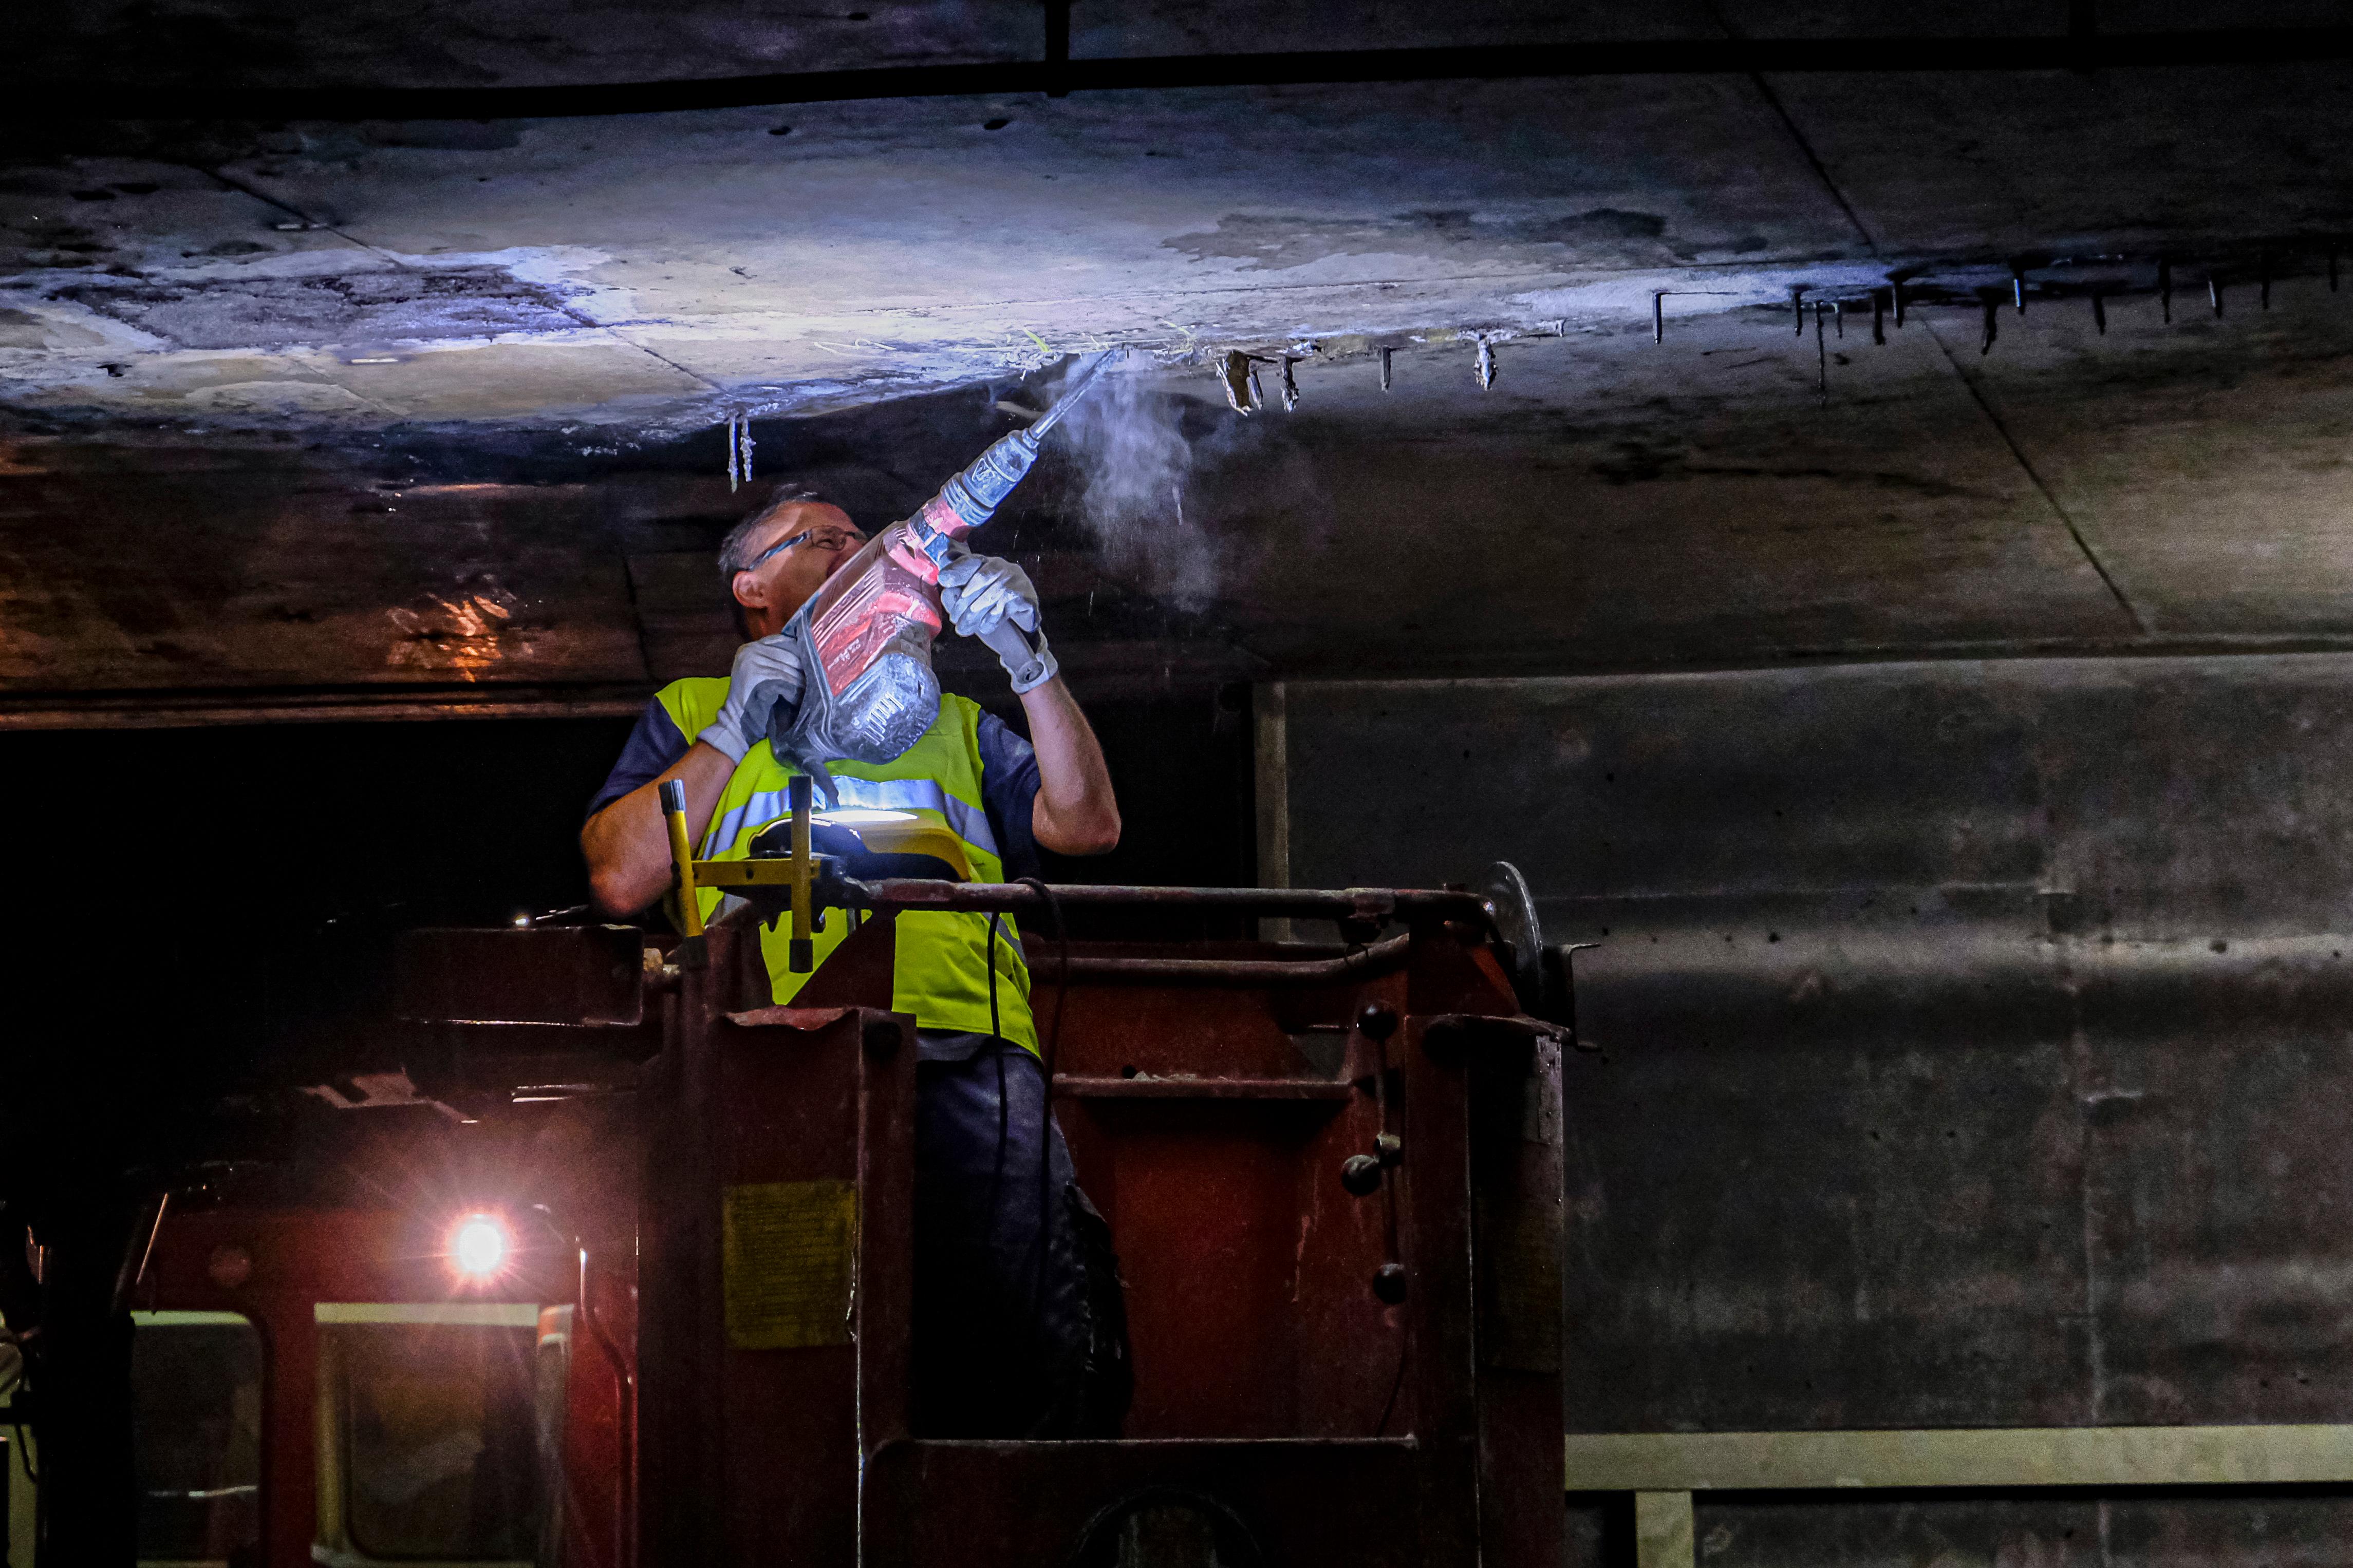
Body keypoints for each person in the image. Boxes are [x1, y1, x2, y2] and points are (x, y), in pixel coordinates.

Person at [581, 485, 1130, 1437]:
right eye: (825, 541)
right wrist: (732, 729)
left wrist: (1028, 660)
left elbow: (1087, 825)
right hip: (767, 1068)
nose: (860, 553)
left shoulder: (952, 720)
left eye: (859, 539)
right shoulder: (694, 712)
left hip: (967, 1060)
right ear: (753, 588)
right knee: (783, 1362)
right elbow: (624, 879)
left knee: (1015, 1334)